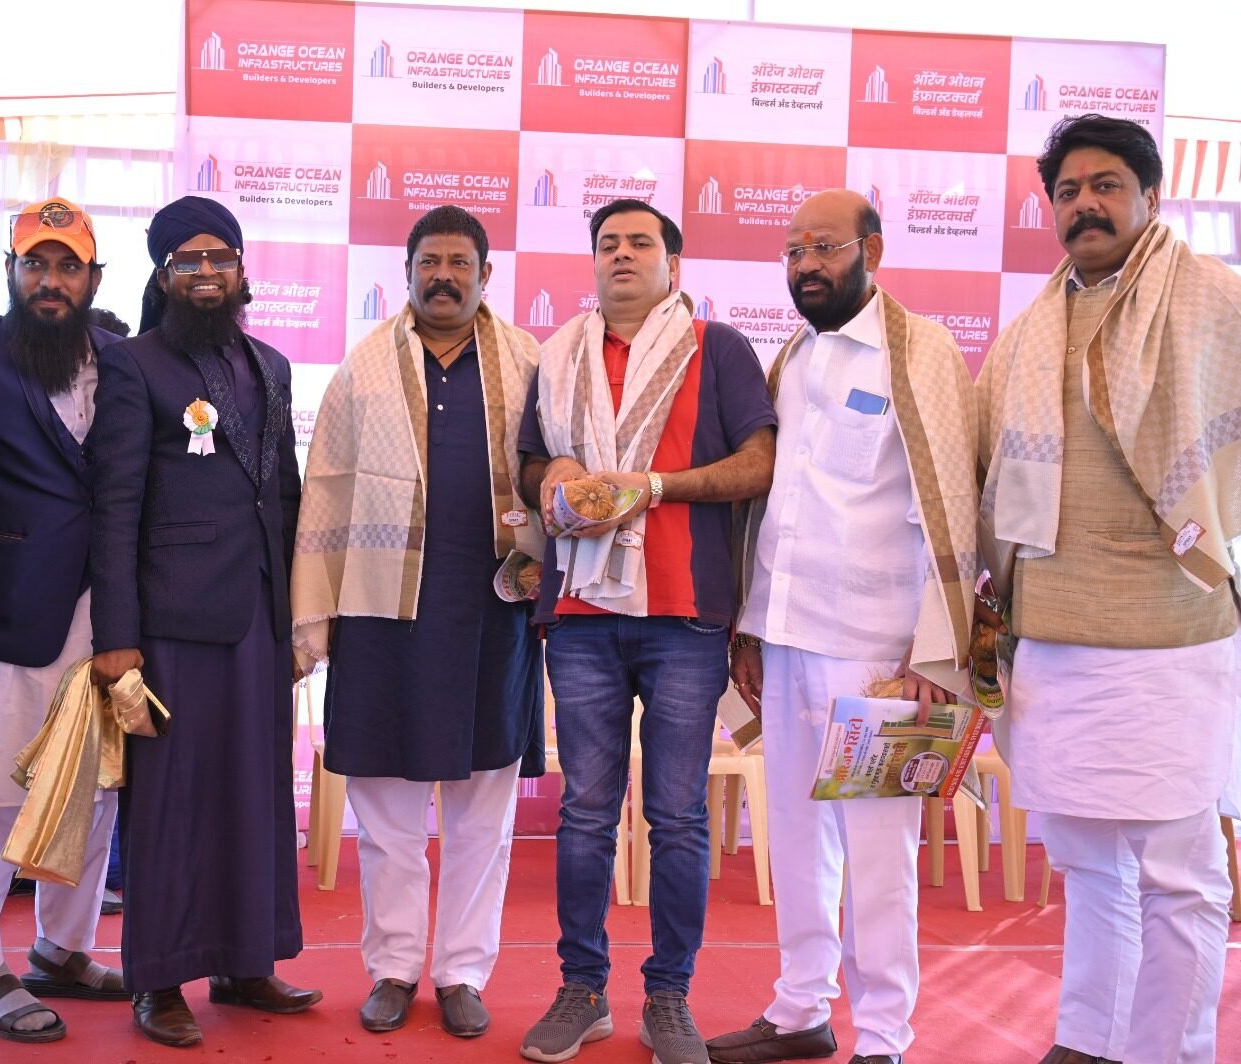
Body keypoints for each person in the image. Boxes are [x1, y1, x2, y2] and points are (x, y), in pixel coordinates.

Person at [978, 113, 1240, 1064]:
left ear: (1150, 195)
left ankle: (1172, 1051)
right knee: (1085, 861)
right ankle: (1091, 1040)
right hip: (1054, 633)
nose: (1083, 204)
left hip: (1170, 630)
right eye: (1067, 191)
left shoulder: (1215, 301)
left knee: (1180, 871)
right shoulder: (1030, 330)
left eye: (1105, 185)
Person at [703, 190, 978, 1064]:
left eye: (823, 247)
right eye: (793, 252)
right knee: (793, 832)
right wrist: (750, 630)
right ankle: (800, 1010)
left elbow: (952, 508)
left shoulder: (920, 352)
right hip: (785, 637)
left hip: (878, 651)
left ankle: (885, 1037)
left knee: (880, 854)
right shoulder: (792, 358)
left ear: (872, 251)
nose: (806, 266)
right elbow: (774, 510)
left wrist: (934, 651)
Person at [515, 199, 777, 1064]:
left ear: (674, 263)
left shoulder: (718, 347)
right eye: (608, 244)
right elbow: (528, 467)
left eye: (640, 242)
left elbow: (758, 464)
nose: (621, 254)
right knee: (586, 813)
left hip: (685, 614)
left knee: (677, 816)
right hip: (582, 616)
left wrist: (655, 487)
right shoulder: (560, 354)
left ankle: (669, 997)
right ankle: (582, 990)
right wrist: (560, 470)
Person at [292, 205, 545, 1039]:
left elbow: (558, 474)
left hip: (493, 616)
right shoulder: (362, 369)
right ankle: (395, 967)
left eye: (459, 262)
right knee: (388, 817)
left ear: (485, 275)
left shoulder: (528, 363)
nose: (443, 276)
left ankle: (464, 971)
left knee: (484, 816)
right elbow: (325, 489)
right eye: (429, 262)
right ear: (405, 274)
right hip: (382, 616)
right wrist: (314, 614)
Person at [87, 196, 318, 1048]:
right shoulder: (132, 365)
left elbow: (285, 498)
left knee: (255, 794)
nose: (208, 272)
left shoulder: (272, 365)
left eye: (221, 257)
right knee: (172, 803)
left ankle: (245, 962)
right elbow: (114, 507)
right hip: (171, 621)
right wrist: (117, 639)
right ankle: (158, 980)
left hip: (256, 618)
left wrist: (295, 619)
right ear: (163, 276)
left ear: (243, 269)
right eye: (189, 260)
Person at [0, 198, 130, 1043]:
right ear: (11, 271)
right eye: (35, 264)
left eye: (68, 267)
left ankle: (64, 947)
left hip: (111, 614)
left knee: (94, 791)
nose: (51, 281)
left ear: (94, 278)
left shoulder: (126, 361)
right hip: (5, 611)